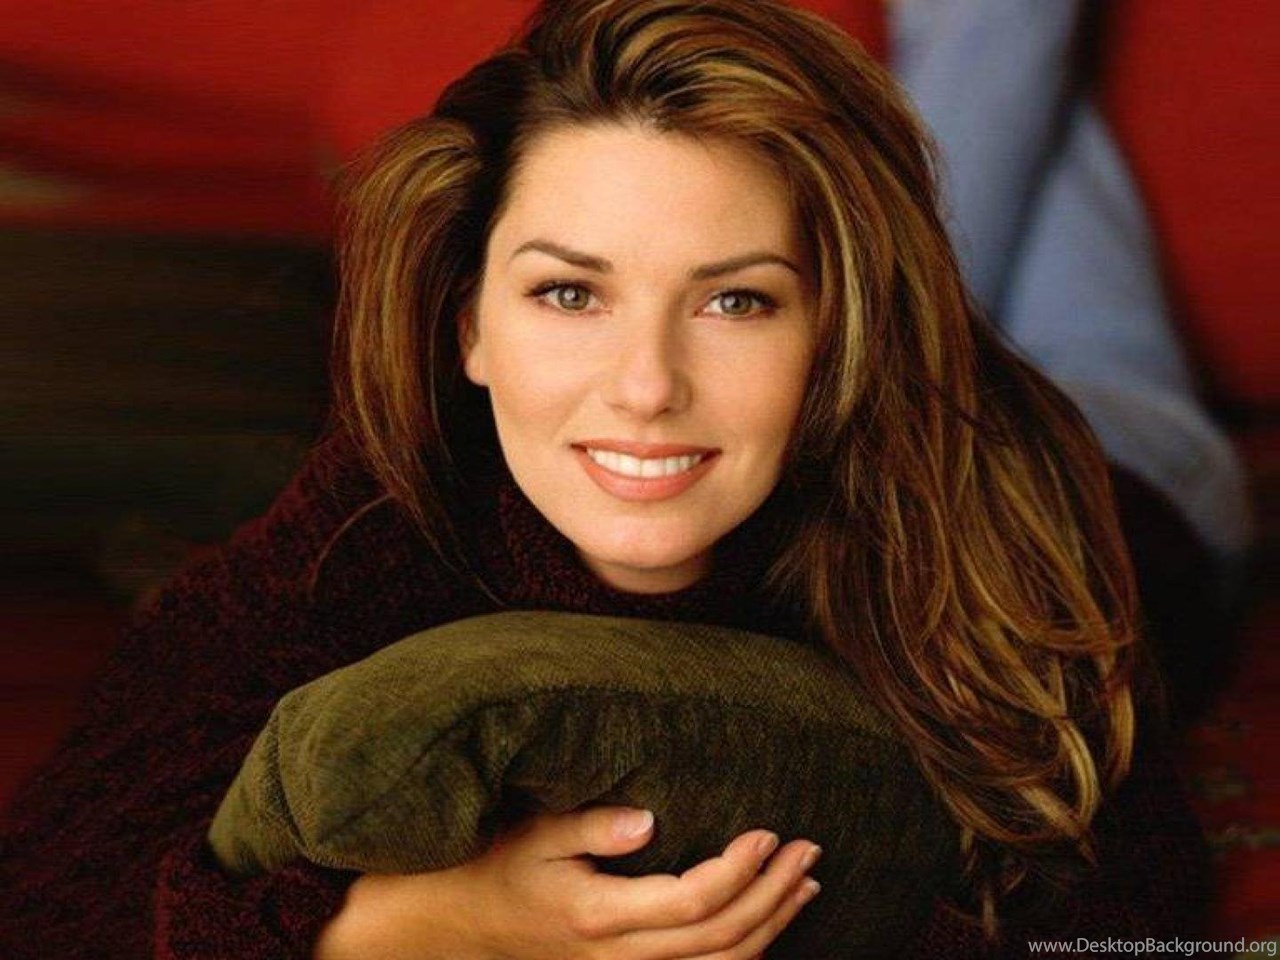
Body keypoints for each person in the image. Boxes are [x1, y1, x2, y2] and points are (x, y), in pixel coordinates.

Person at [0, 0, 1208, 957]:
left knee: (987, 106)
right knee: (972, 137)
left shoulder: (974, 513)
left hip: (1134, 458)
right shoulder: (379, 513)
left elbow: (1123, 921)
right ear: (468, 324)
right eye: (569, 292)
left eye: (735, 303)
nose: (644, 387)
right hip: (905, 361)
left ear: (837, 338)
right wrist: (398, 927)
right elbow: (50, 889)